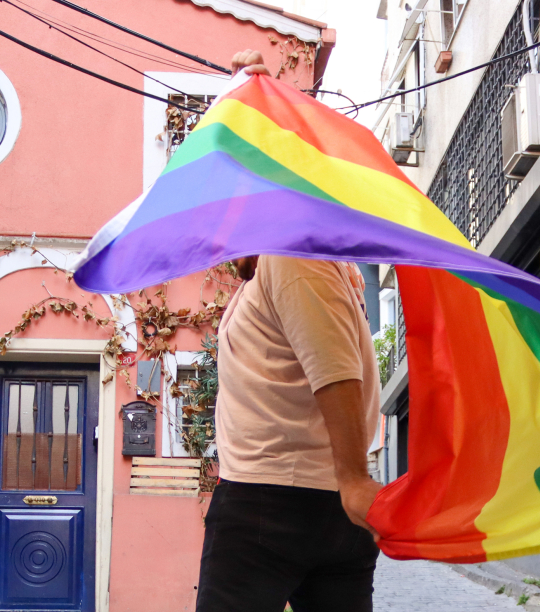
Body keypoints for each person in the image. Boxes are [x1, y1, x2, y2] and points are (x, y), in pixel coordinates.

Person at [194, 49, 385, 612]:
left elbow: (334, 367)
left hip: (270, 504)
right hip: (306, 504)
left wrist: (353, 478)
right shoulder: (286, 264)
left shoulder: (291, 254)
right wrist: (250, 90)